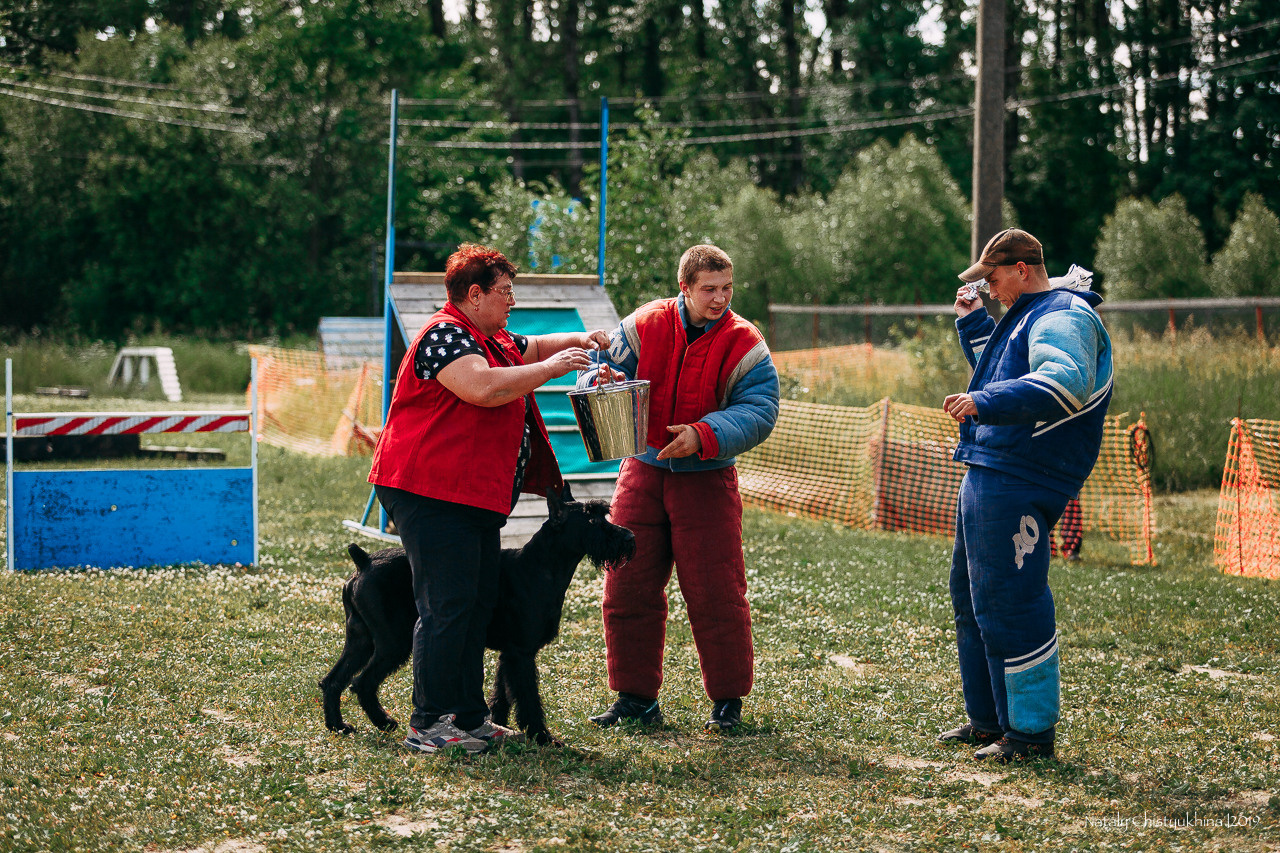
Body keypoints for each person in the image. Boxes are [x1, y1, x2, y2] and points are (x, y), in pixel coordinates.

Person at [367, 243, 610, 755]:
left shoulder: (488, 335)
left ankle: (471, 717)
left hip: (469, 493)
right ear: (473, 295)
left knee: (477, 603)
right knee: (447, 606)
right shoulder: (444, 335)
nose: (513, 300)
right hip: (428, 490)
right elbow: (481, 388)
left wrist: (581, 342)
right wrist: (553, 370)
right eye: (504, 292)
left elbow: (536, 347)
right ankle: (430, 723)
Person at [579, 244, 780, 733]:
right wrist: (599, 377)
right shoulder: (644, 324)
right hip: (641, 473)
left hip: (707, 479)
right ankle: (635, 698)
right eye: (709, 289)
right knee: (625, 585)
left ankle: (728, 702)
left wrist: (702, 434)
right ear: (684, 287)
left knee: (717, 593)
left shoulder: (745, 341)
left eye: (727, 288)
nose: (720, 298)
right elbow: (593, 367)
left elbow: (761, 410)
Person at [938, 228, 1113, 762]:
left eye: (992, 279)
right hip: (993, 467)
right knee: (974, 598)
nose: (988, 289)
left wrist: (983, 401)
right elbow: (1001, 368)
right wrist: (972, 323)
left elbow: (1064, 382)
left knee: (1011, 600)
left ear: (1020, 269)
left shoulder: (1062, 312)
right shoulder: (1029, 313)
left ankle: (1031, 734)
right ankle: (990, 722)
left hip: (1022, 474)